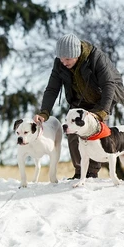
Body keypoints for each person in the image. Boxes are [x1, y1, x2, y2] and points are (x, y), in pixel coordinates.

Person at [33, 33, 124, 179]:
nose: (63, 62)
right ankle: (80, 172)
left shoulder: (96, 58)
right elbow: (52, 89)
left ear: (77, 54)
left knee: (93, 132)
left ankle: (92, 173)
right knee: (72, 131)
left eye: (67, 59)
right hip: (78, 101)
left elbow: (108, 84)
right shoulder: (60, 64)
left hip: (101, 99)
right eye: (61, 58)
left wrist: (101, 112)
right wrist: (44, 112)